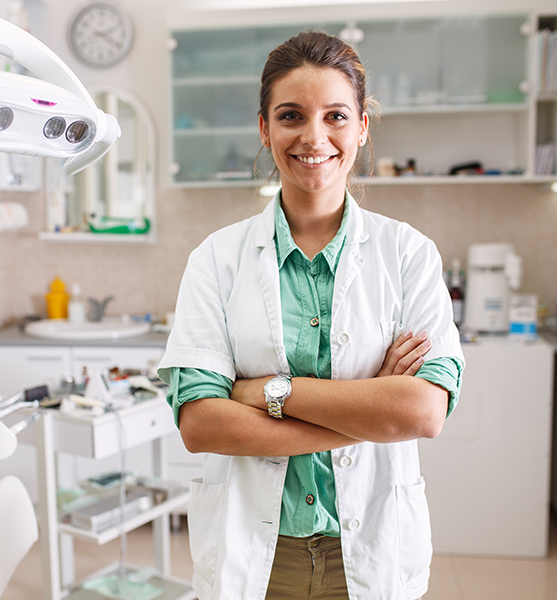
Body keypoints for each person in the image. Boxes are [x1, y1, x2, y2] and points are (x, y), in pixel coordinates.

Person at [158, 30, 464, 600]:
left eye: (336, 116)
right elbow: (201, 425)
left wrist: (266, 392)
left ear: (363, 128)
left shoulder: (408, 255)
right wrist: (369, 405)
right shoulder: (216, 260)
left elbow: (422, 412)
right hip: (257, 552)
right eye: (291, 115)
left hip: (370, 548)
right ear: (265, 128)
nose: (313, 136)